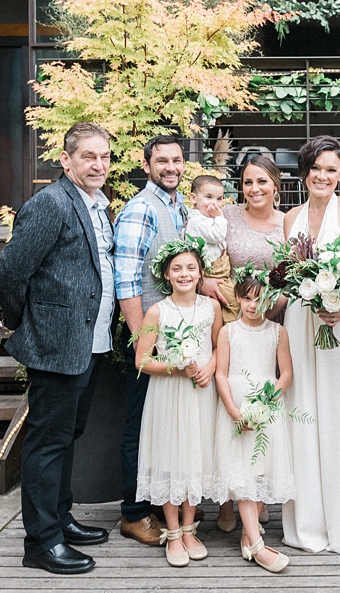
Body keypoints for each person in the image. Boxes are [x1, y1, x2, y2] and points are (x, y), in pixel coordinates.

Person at [0, 122, 119, 575]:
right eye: (88, 156)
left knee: (68, 437)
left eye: (104, 156)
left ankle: (60, 519)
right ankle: (41, 543)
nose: (98, 164)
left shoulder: (97, 206)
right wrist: (24, 321)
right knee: (47, 443)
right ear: (66, 161)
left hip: (92, 342)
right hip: (55, 344)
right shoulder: (50, 204)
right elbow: (8, 272)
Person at [280, 135, 340, 554]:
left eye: (331, 169)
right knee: (303, 419)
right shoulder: (290, 218)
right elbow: (287, 274)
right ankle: (307, 525)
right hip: (302, 326)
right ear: (305, 173)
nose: (322, 176)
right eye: (315, 168)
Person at [110, 134, 191, 546]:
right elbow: (126, 281)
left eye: (177, 160)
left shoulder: (180, 208)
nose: (171, 167)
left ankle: (161, 505)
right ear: (146, 166)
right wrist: (146, 339)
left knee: (164, 423)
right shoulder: (141, 209)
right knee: (139, 426)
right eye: (162, 161)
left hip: (173, 336)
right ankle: (133, 513)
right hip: (145, 334)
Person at [130, 237, 224, 567]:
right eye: (177, 269)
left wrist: (209, 369)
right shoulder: (157, 311)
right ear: (166, 275)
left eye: (191, 268)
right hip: (169, 393)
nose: (184, 274)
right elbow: (141, 360)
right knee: (171, 457)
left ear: (200, 274)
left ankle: (189, 528)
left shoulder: (210, 307)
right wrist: (175, 368)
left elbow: (218, 346)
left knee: (193, 458)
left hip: (200, 391)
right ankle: (172, 532)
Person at [214, 276, 296, 573]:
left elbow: (285, 373)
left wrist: (267, 401)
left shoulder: (278, 332)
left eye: (260, 298)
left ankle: (249, 535)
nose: (253, 305)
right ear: (238, 298)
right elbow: (221, 374)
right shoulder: (228, 332)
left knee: (260, 468)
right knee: (243, 471)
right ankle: (257, 545)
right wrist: (234, 411)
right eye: (247, 298)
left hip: (266, 406)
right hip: (236, 405)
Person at [217, 155, 289, 336]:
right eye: (248, 182)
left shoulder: (288, 223)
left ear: (275, 184)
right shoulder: (226, 216)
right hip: (229, 317)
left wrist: (262, 317)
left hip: (274, 318)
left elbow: (293, 280)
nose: (254, 189)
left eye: (262, 181)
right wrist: (205, 282)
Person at [183, 174, 233, 322]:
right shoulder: (197, 220)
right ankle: (232, 327)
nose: (215, 203)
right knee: (232, 301)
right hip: (211, 273)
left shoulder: (206, 219)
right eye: (209, 197)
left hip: (220, 271)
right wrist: (220, 216)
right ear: (193, 199)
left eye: (219, 199)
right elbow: (217, 236)